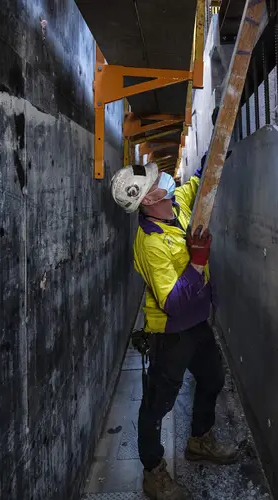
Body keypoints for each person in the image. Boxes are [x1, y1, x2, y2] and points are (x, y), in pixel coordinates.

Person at [111, 159, 238, 500]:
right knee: (157, 406)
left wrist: (212, 154)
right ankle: (154, 475)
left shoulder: (175, 206)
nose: (165, 179)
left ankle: (199, 440)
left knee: (212, 378)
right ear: (148, 200)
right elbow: (173, 303)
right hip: (171, 333)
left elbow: (198, 181)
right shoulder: (148, 244)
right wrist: (197, 262)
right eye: (157, 181)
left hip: (197, 323)